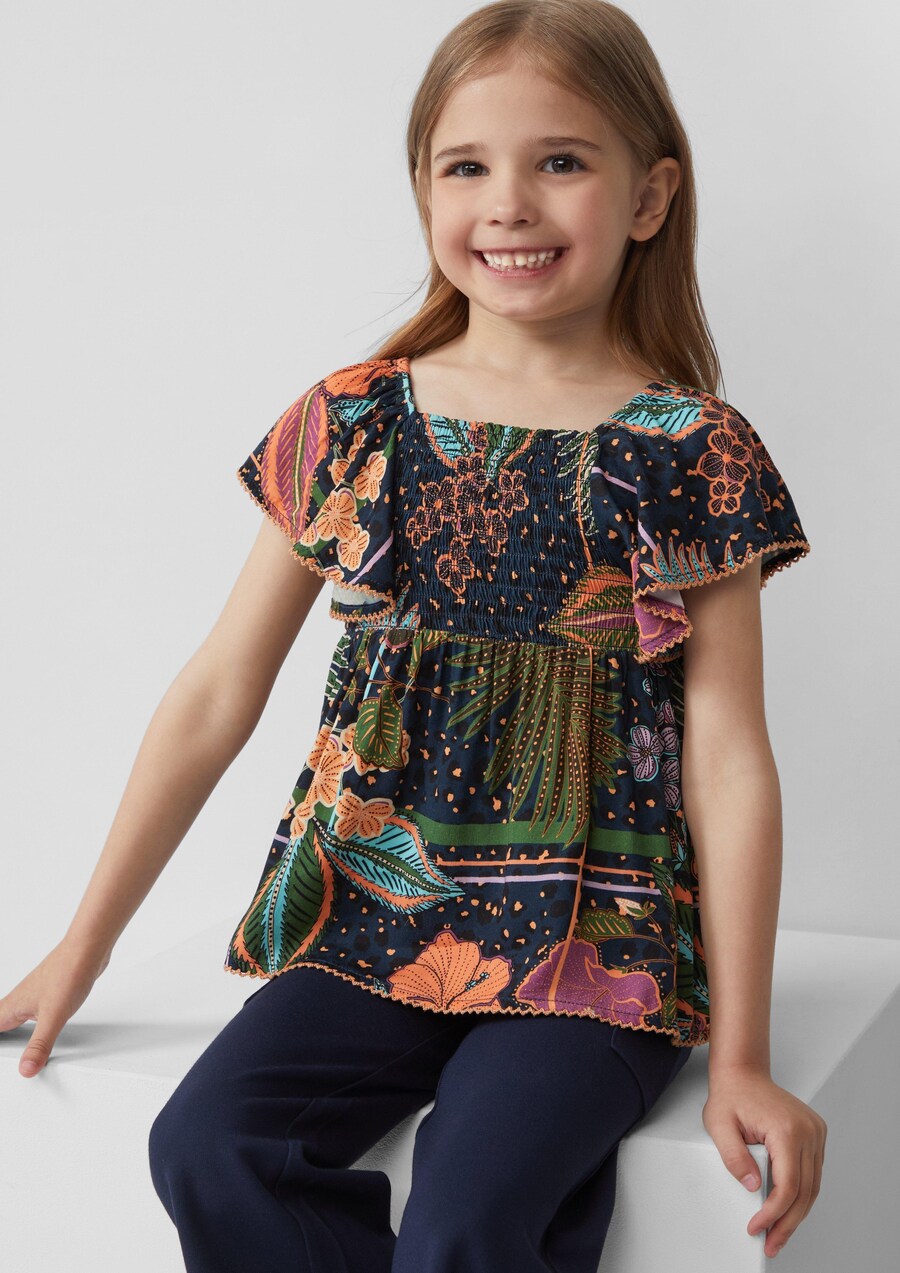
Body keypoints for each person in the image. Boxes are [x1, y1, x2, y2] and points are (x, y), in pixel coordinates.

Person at [0, 1, 828, 1269]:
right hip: (364, 926)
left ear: (651, 196)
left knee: (470, 1209)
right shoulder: (351, 423)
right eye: (466, 167)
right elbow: (217, 691)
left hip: (594, 953)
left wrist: (745, 1057)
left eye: (561, 160)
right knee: (208, 1142)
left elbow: (727, 756)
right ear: (423, 190)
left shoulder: (691, 451)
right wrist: (85, 942)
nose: (509, 204)